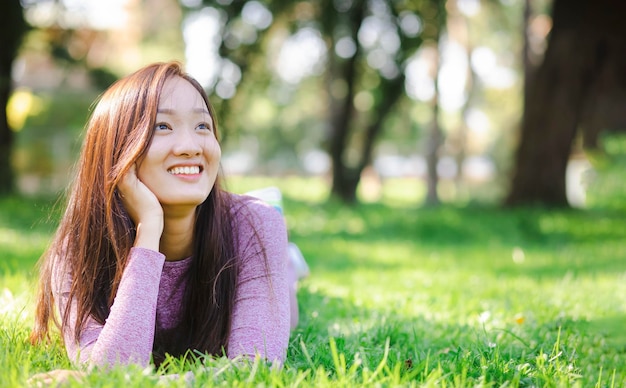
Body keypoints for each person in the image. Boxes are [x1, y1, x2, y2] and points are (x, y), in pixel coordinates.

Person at [29, 61, 300, 372]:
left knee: (287, 300)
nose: (190, 146)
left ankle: (287, 258)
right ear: (116, 152)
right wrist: (149, 230)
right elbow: (112, 372)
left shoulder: (253, 225)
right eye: (162, 126)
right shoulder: (76, 251)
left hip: (253, 233)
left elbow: (256, 367)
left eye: (202, 126)